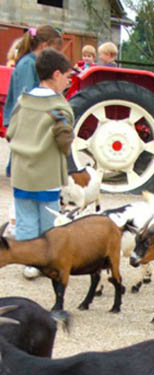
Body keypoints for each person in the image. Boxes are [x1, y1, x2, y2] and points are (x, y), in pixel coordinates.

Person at [6, 48, 74, 279]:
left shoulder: (23, 101)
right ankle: (48, 262)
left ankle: (29, 263)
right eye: (67, 76)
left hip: (22, 171)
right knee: (49, 223)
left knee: (25, 220)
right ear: (56, 74)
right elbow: (65, 141)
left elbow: (11, 132)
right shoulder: (61, 107)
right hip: (47, 174)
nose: (68, 81)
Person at [3, 25, 62, 129]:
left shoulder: (35, 63)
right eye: (55, 50)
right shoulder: (28, 64)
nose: (56, 54)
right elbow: (25, 97)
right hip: (22, 122)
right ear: (44, 46)